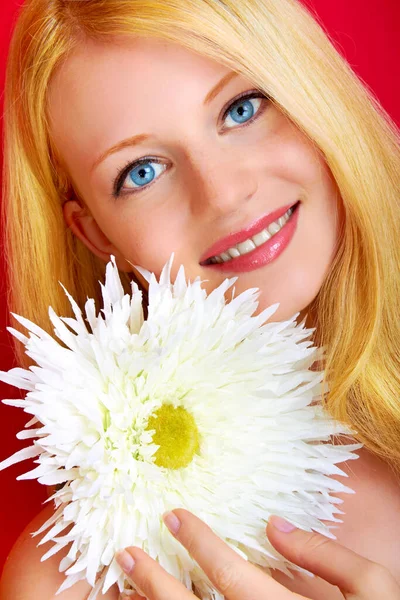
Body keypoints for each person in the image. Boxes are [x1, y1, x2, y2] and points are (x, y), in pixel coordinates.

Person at [0, 0, 400, 598]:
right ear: (97, 233)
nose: (224, 193)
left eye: (242, 109)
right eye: (142, 171)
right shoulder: (69, 582)